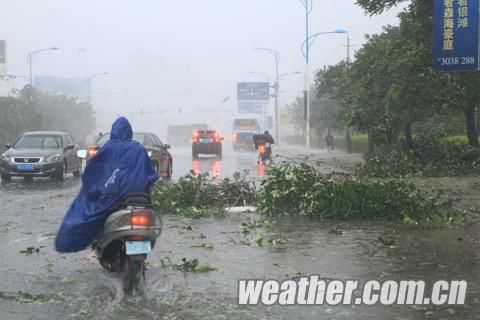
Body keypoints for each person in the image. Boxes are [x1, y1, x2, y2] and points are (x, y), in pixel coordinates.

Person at [55, 117, 158, 253]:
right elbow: (151, 174)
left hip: (111, 199)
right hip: (137, 198)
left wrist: (94, 189)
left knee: (85, 213)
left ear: (113, 132)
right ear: (129, 132)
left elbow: (92, 173)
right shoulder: (137, 148)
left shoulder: (107, 149)